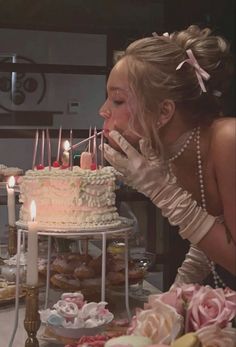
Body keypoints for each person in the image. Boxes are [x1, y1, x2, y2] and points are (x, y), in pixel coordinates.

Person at [99, 25, 236, 289]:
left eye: (117, 100)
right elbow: (209, 239)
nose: (103, 110)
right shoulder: (171, 149)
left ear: (164, 112)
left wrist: (163, 191)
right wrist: (174, 295)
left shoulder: (228, 139)